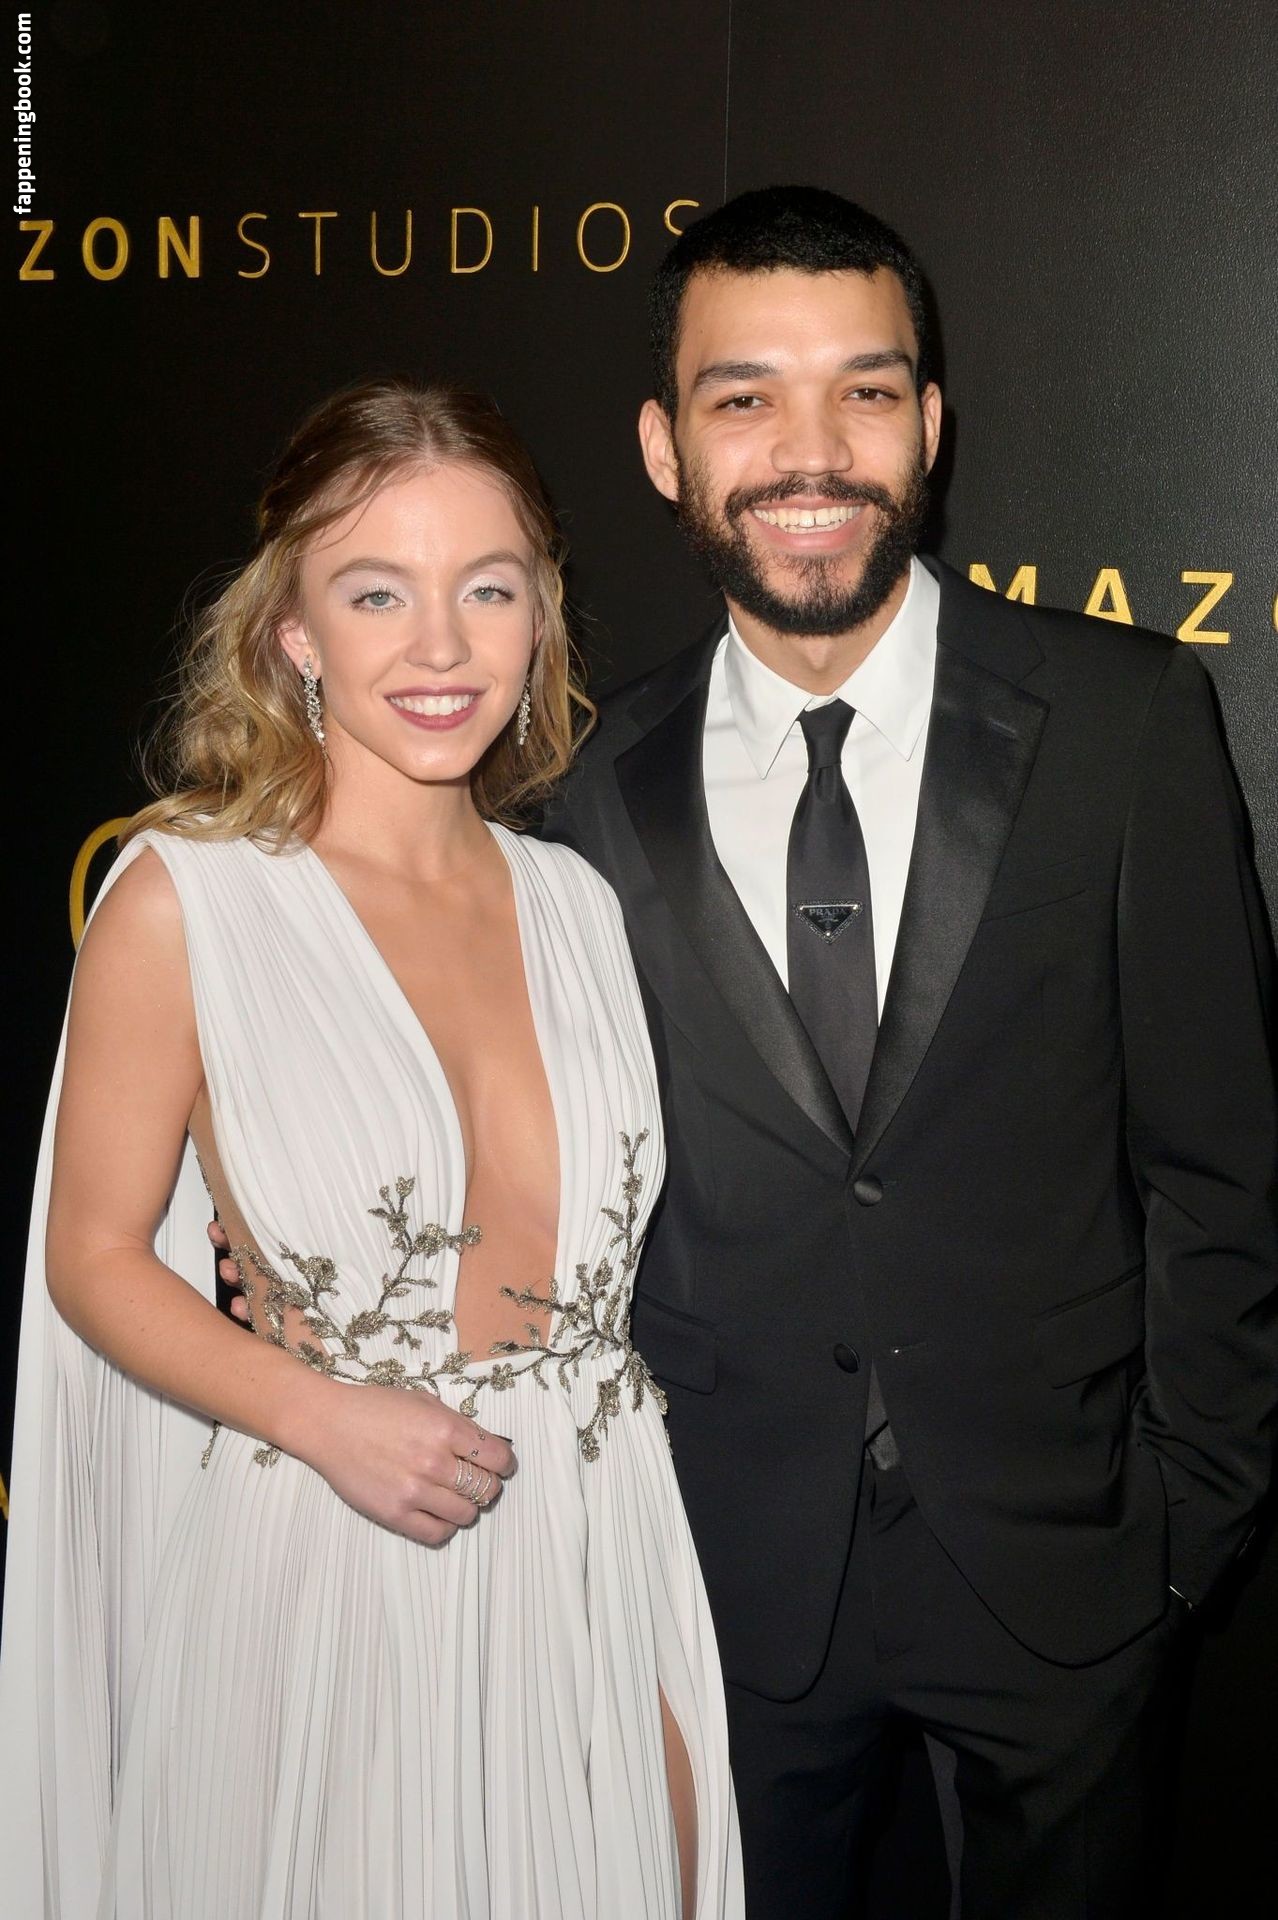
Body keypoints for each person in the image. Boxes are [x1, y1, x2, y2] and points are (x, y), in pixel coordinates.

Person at [535, 188, 1277, 1916]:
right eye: (743, 398)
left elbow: (1221, 1168)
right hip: (722, 1575)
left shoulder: (1124, 722)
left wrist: (1184, 1530)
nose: (810, 452)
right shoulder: (584, 787)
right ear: (661, 445)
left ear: (930, 426)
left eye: (863, 391)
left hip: (1067, 1572)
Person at [0, 380, 743, 1919]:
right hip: (327, 1555)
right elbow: (91, 1257)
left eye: (489, 589)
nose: (440, 648)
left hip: (598, 1545)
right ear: (293, 630)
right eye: (377, 593)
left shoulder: (575, 904)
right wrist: (320, 1416)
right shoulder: (190, 898)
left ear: (541, 615)